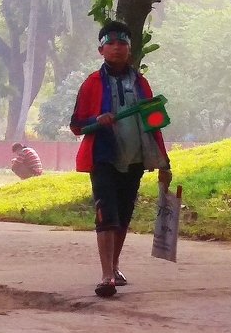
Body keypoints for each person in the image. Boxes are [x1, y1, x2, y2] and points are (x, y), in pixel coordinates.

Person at [69, 20, 172, 298]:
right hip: (103, 156)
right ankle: (105, 276)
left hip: (135, 157)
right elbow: (77, 125)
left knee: (124, 214)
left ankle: (114, 266)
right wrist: (96, 120)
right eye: (111, 43)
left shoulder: (140, 83)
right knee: (107, 213)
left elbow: (154, 122)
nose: (117, 48)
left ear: (130, 50)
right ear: (101, 50)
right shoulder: (91, 83)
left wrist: (164, 163)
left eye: (122, 43)